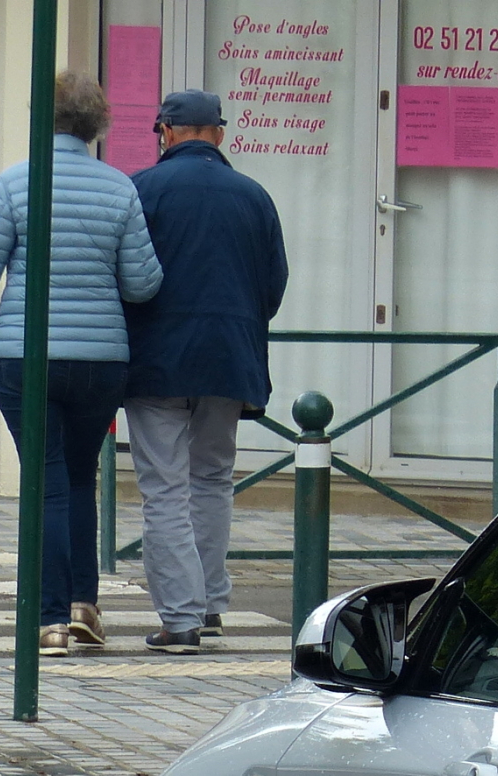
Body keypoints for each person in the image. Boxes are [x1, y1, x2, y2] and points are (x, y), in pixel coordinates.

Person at [0, 73, 161, 655]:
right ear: (96, 126)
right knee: (79, 477)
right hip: (100, 362)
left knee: (46, 481)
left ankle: (49, 618)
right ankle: (85, 604)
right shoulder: (121, 190)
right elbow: (141, 284)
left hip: (25, 356)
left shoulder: (15, 185)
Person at [123, 91, 288, 656]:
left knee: (164, 486)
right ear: (219, 134)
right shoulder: (254, 195)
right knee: (213, 478)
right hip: (230, 357)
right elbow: (274, 287)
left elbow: (127, 275)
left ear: (164, 131)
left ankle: (181, 619)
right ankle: (212, 603)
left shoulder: (143, 189)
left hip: (157, 359)